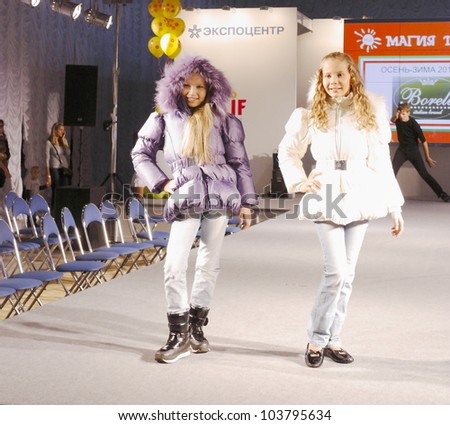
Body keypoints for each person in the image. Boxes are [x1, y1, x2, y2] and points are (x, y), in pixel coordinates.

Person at [278, 51, 405, 368]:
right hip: (326, 192)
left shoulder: (369, 114)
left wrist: (394, 206)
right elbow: (288, 151)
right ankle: (317, 339)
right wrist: (298, 181)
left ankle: (334, 339)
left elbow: (380, 163)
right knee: (335, 271)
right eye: (327, 76)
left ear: (352, 77)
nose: (333, 81)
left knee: (347, 276)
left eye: (339, 75)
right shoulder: (308, 115)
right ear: (320, 80)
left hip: (361, 192)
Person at [131, 56, 258, 364]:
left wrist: (246, 203)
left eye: (199, 87)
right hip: (185, 196)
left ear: (210, 88)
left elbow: (239, 163)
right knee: (174, 265)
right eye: (186, 85)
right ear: (176, 85)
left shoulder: (225, 119)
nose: (192, 92)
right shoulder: (163, 117)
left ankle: (196, 330)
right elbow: (141, 153)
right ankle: (177, 333)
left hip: (220, 196)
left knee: (209, 263)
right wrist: (161, 182)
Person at [392, 103, 449, 202]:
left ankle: (442, 194)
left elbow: (424, 141)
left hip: (413, 151)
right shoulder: (397, 120)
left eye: (403, 113)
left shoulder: (413, 124)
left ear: (408, 113)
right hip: (402, 150)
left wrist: (427, 157)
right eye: (400, 113)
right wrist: (396, 115)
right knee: (391, 173)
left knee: (424, 174)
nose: (401, 115)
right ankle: (389, 197)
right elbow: (392, 120)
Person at [45, 122, 71, 210]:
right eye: (60, 130)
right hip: (54, 168)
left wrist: (64, 141)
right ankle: (54, 211)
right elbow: (46, 159)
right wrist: (48, 174)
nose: (62, 132)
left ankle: (64, 210)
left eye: (63, 130)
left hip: (63, 168)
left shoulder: (64, 141)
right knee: (56, 190)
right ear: (55, 130)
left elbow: (68, 153)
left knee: (64, 189)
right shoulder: (49, 142)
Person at [0, 119, 11, 188]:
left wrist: (4, 156)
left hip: (4, 164)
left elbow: (8, 154)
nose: (1, 128)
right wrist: (5, 170)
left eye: (2, 126)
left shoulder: (4, 138)